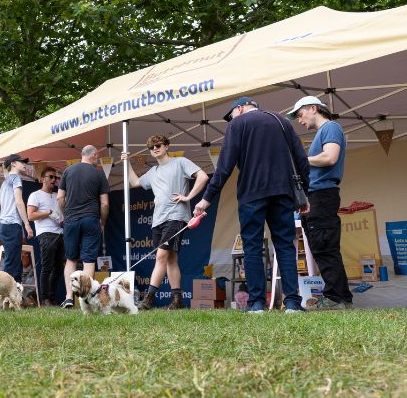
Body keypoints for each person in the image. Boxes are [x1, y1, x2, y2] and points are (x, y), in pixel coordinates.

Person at [193, 97, 308, 313]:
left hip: (251, 194)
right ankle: (292, 302)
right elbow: (301, 158)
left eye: (230, 117)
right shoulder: (282, 121)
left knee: (252, 247)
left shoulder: (238, 124)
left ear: (240, 108)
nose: (230, 121)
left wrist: (206, 199)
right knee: (285, 245)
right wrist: (306, 195)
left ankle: (256, 304)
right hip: (283, 192)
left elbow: (224, 167)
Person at [121, 134, 209, 310]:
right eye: (151, 147)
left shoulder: (180, 162)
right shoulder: (153, 172)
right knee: (170, 259)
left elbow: (203, 176)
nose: (155, 148)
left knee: (161, 255)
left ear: (167, 146)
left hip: (176, 216)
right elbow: (135, 182)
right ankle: (178, 301)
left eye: (158, 145)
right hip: (158, 220)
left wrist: (188, 197)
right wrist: (127, 162)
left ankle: (148, 299)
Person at [288, 96, 353, 310]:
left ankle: (334, 298)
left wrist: (301, 160)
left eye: (300, 114)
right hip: (317, 196)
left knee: (324, 247)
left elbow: (330, 158)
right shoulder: (323, 133)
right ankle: (342, 297)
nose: (299, 120)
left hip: (322, 195)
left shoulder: (331, 128)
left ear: (313, 108)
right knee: (323, 247)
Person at [57, 145, 110, 309]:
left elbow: (60, 198)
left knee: (71, 259)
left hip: (71, 220)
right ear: (94, 155)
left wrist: (66, 216)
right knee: (88, 260)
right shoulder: (99, 174)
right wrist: (102, 222)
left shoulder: (68, 171)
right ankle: (86, 299)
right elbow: (105, 203)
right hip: (91, 220)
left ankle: (68, 297)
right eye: (97, 156)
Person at [27, 167, 64, 306]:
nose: (54, 180)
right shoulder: (35, 195)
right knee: (47, 267)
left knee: (58, 268)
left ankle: (52, 297)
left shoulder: (57, 196)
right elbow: (30, 215)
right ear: (43, 179)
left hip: (60, 233)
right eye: (51, 177)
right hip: (46, 233)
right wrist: (48, 212)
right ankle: (44, 299)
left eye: (56, 178)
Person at [0, 154, 34, 282]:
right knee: (12, 264)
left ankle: (13, 297)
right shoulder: (15, 178)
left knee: (13, 262)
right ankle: (5, 298)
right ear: (13, 163)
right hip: (11, 224)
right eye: (22, 161)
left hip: (5, 225)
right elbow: (19, 202)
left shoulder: (5, 181)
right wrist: (27, 225)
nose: (24, 164)